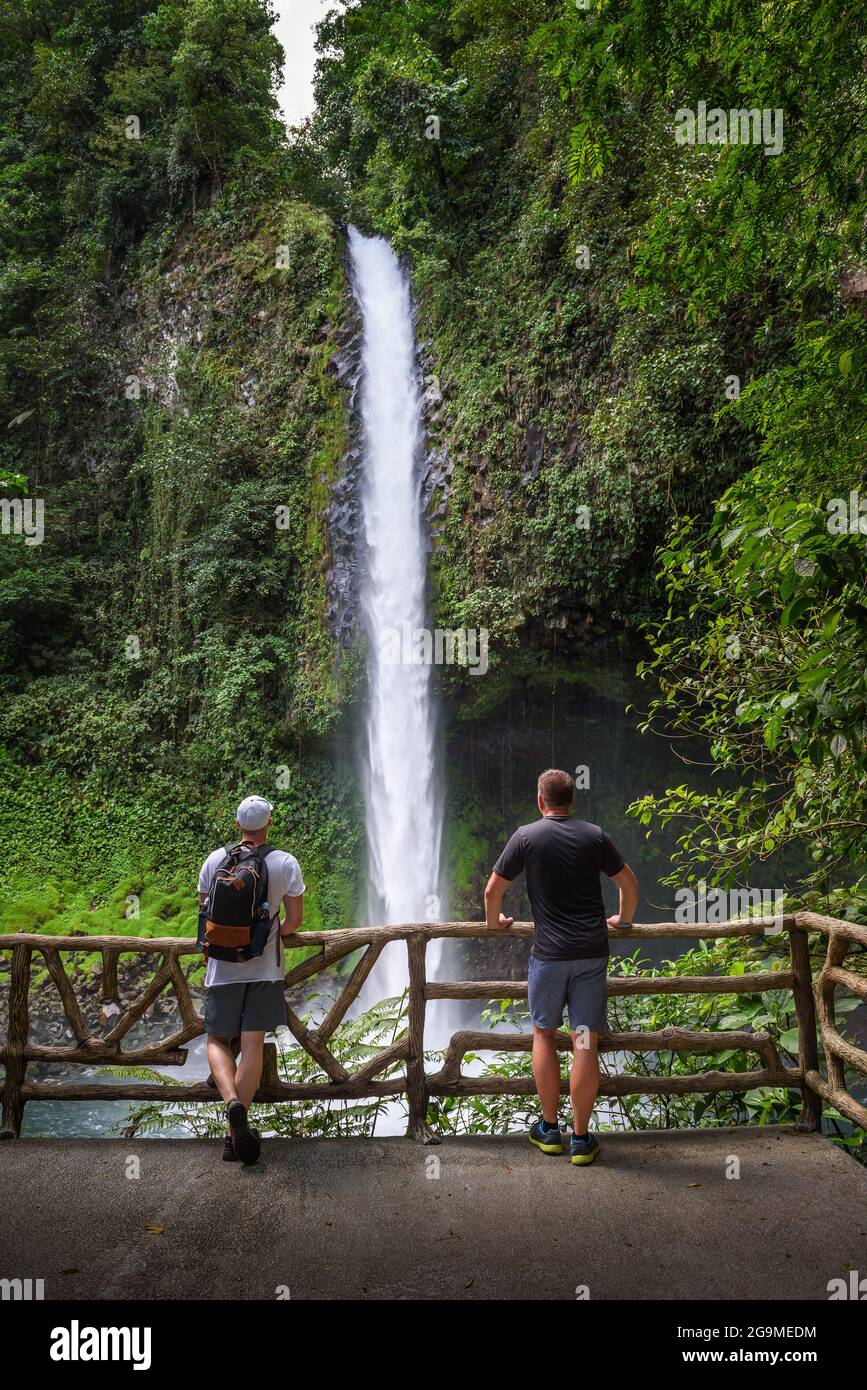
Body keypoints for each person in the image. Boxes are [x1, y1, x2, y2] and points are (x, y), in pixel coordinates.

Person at [484, 769, 638, 1166]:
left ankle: (550, 1130)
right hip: (590, 953)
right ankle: (582, 1140)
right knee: (584, 1040)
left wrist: (493, 922)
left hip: (549, 955)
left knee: (543, 1033)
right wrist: (622, 919)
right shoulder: (594, 836)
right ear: (572, 800)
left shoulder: (525, 837)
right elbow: (629, 883)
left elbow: (492, 891)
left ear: (541, 801)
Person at [198, 795, 305, 1164]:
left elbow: (205, 913)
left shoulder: (215, 860)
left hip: (220, 968)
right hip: (264, 969)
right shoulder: (284, 863)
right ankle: (233, 1134)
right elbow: (293, 923)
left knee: (216, 1039)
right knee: (253, 1044)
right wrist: (272, 933)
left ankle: (230, 1102)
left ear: (238, 825)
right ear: (269, 823)